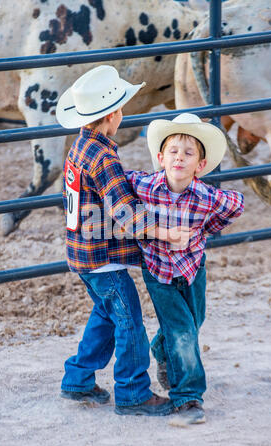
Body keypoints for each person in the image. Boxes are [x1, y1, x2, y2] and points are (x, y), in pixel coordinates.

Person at [55, 65, 189, 416]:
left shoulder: (81, 146)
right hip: (103, 258)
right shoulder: (104, 157)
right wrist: (165, 232)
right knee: (129, 320)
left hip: (84, 252)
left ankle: (78, 378)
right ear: (114, 114)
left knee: (106, 313)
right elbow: (126, 213)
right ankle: (132, 392)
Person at [125, 112, 244, 426]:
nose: (180, 157)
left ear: (200, 165)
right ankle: (188, 399)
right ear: (161, 158)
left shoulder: (207, 196)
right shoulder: (145, 185)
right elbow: (118, 182)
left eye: (189, 153)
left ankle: (160, 349)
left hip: (193, 269)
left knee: (194, 323)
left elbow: (237, 203)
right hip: (158, 272)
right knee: (182, 333)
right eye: (173, 151)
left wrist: (204, 231)